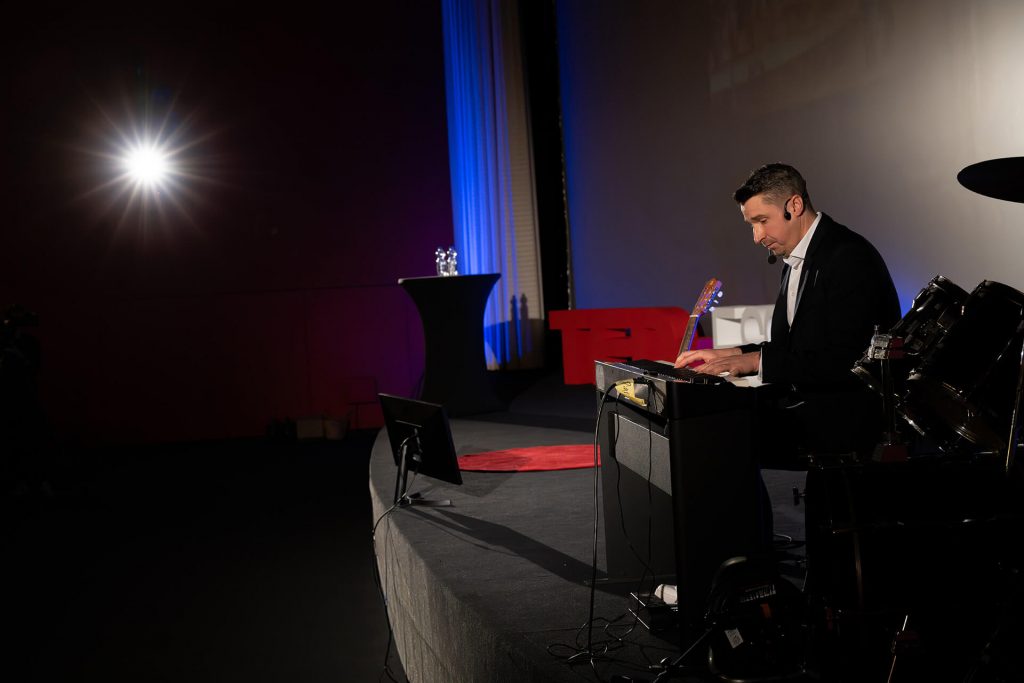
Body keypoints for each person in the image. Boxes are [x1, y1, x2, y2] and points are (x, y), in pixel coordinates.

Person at [675, 163, 901, 457]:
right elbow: (797, 348)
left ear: (794, 205)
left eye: (762, 221)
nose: (757, 236)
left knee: (713, 437)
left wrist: (755, 361)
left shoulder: (847, 256)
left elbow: (849, 359)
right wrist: (736, 354)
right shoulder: (798, 258)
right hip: (814, 407)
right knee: (707, 431)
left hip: (846, 421)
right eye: (752, 225)